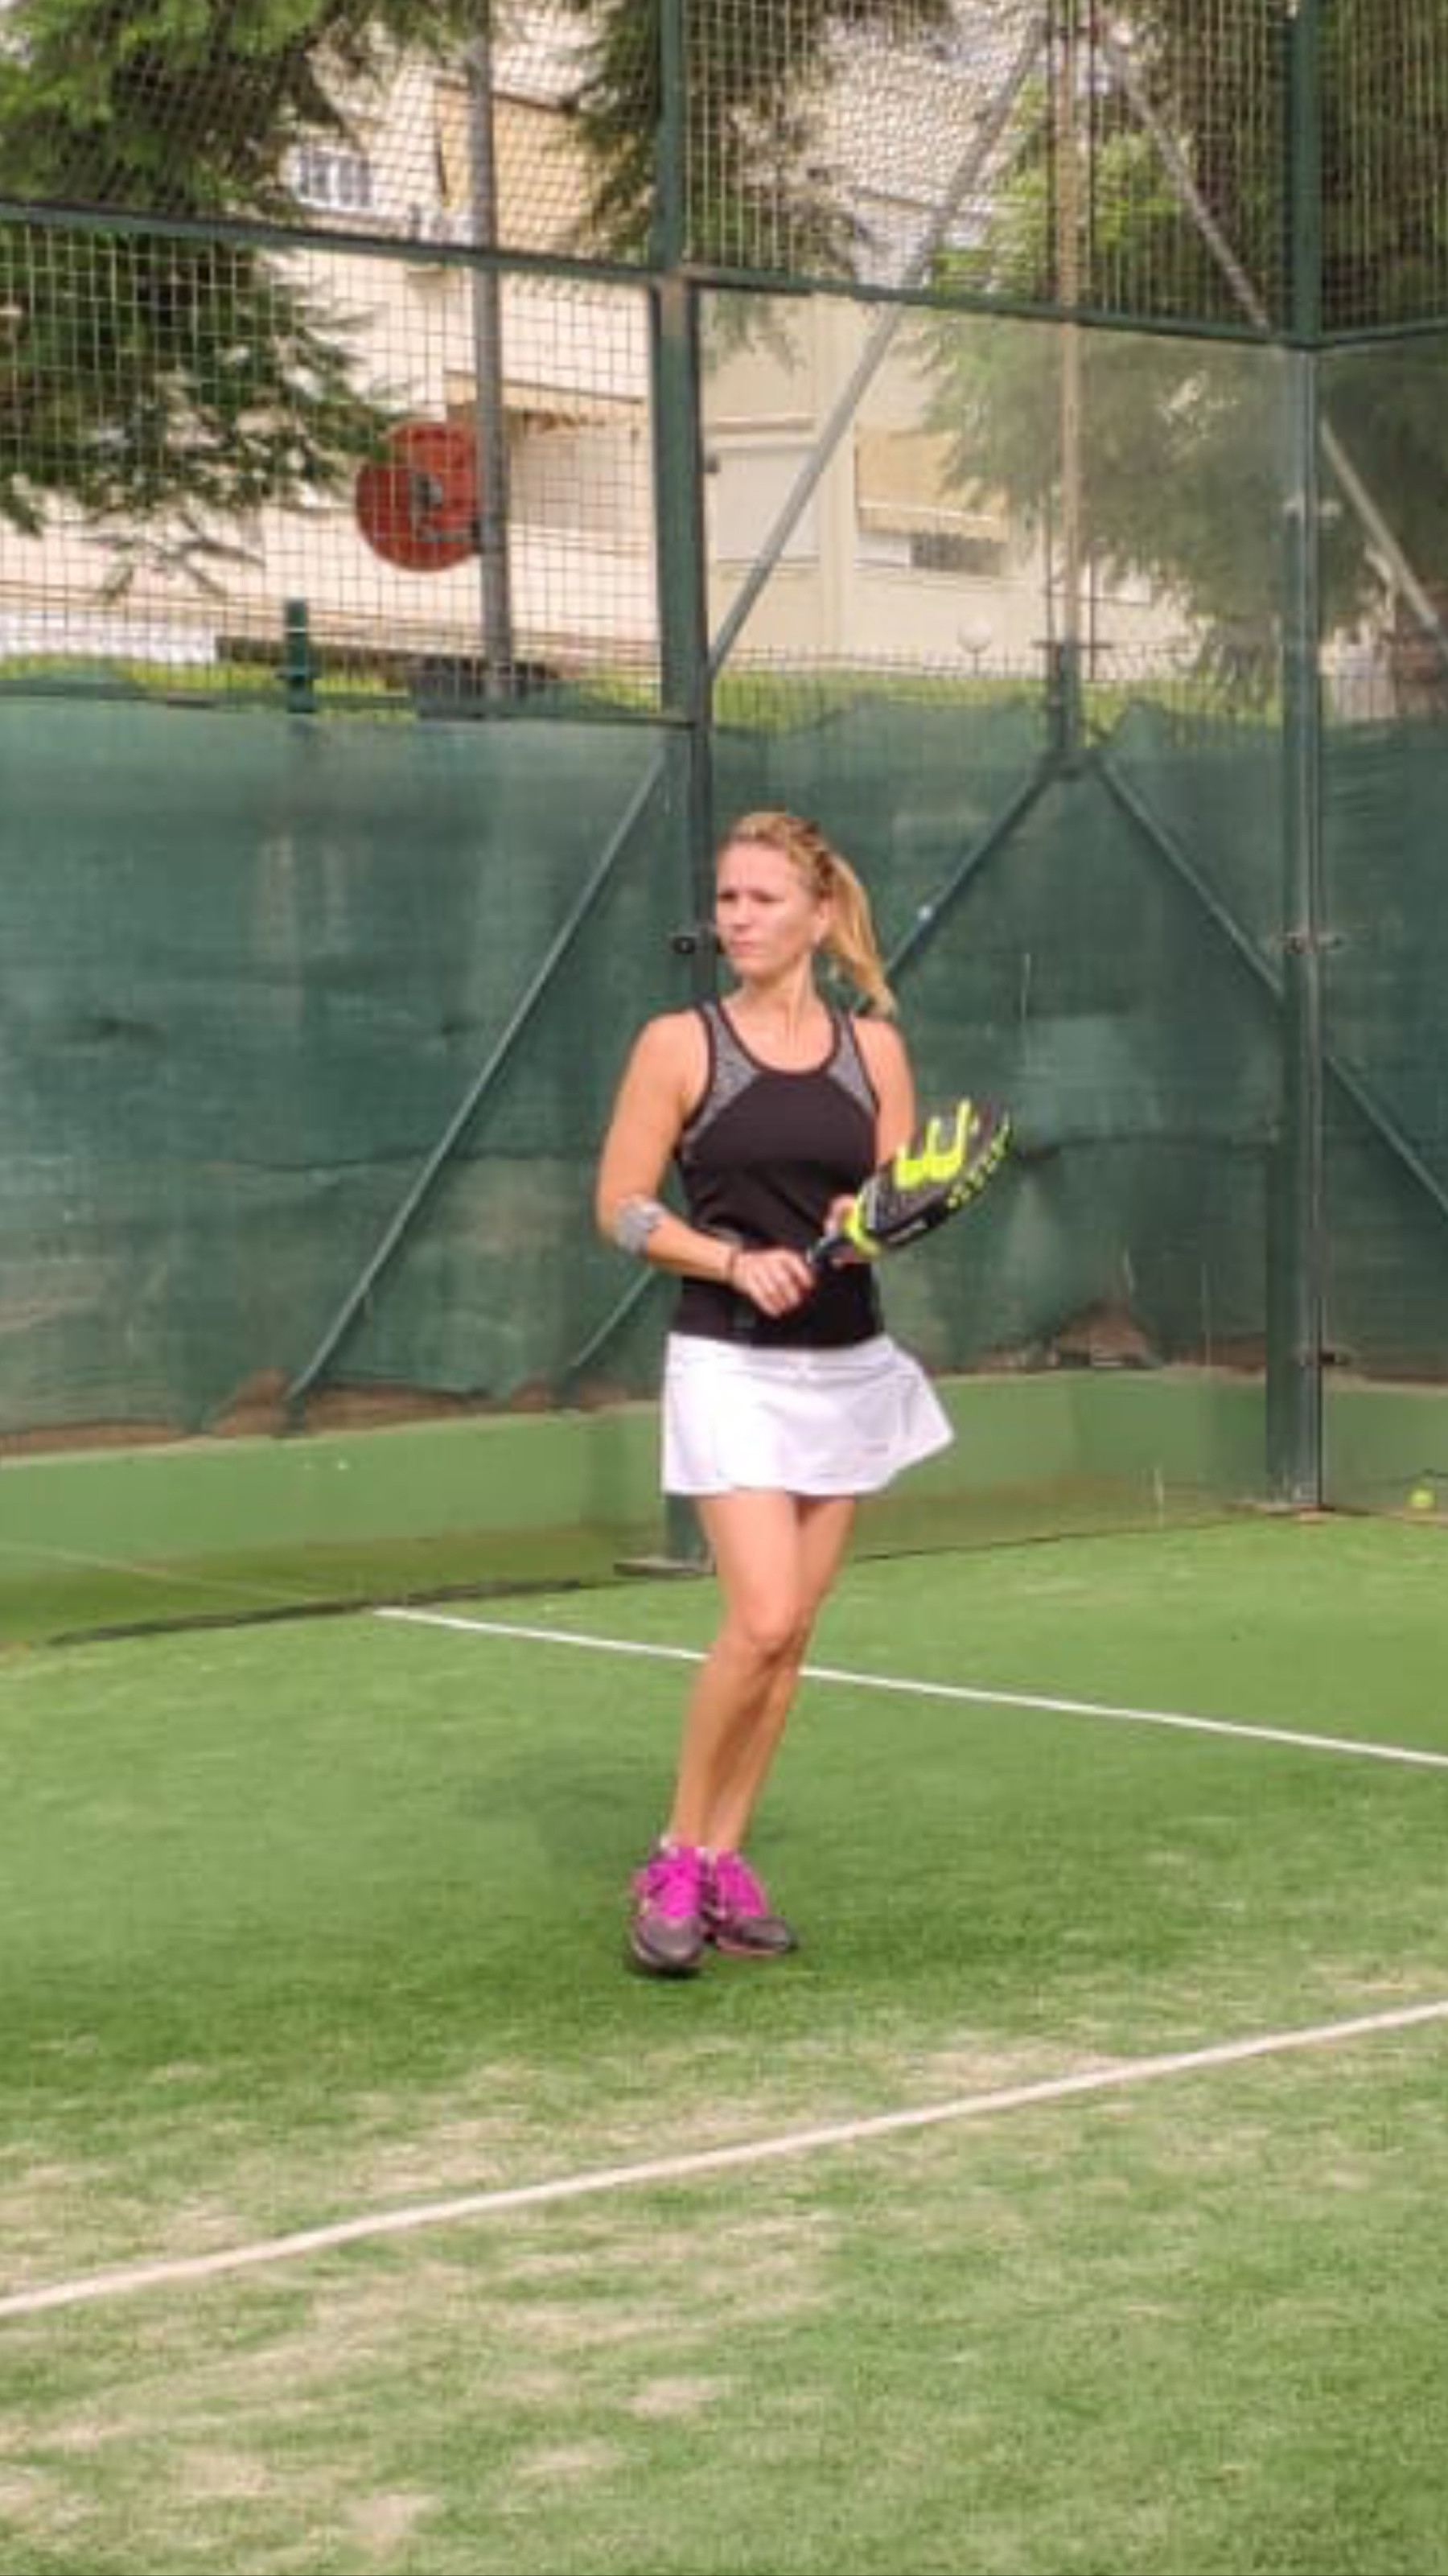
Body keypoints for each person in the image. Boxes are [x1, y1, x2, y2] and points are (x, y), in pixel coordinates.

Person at [594, 809, 952, 1977]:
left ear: (818, 914)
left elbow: (895, 1200)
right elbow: (620, 1209)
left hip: (848, 1366)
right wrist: (729, 1258)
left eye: (761, 899)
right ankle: (673, 1858)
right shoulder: (678, 1043)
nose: (737, 919)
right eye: (728, 899)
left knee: (793, 1633)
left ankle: (726, 1861)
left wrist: (865, 1222)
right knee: (757, 1615)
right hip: (729, 1360)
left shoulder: (875, 1051)